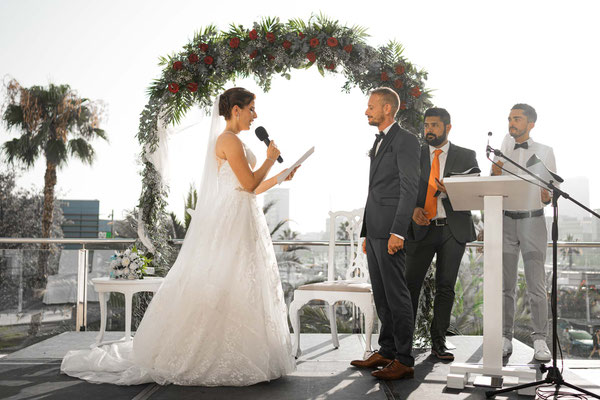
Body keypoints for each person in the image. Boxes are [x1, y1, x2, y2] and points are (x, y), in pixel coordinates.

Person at [61, 87, 298, 386]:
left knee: (239, 285)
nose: (256, 115)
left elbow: (251, 188)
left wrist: (278, 175)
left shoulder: (236, 141)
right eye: (252, 108)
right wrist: (269, 159)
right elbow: (250, 184)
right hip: (230, 226)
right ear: (236, 110)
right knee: (222, 282)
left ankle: (240, 350)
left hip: (243, 221)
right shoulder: (227, 140)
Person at [350, 87, 420, 380]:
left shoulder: (405, 140)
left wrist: (398, 233)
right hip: (376, 230)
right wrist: (367, 233)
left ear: (388, 109)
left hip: (392, 232)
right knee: (381, 295)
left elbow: (409, 188)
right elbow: (375, 191)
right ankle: (387, 351)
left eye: (371, 106)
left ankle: (404, 359)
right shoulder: (379, 141)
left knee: (397, 296)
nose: (367, 111)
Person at [405, 107, 479, 361]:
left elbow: (473, 193)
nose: (429, 130)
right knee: (409, 286)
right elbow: (405, 187)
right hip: (420, 227)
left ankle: (439, 342)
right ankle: (402, 343)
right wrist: (412, 209)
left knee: (446, 288)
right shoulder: (413, 154)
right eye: (426, 125)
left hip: (452, 228)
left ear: (448, 127)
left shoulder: (467, 156)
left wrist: (450, 191)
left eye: (434, 125)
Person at [491, 103, 556, 362]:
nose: (511, 123)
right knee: (505, 286)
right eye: (509, 118)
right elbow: (493, 186)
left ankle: (540, 340)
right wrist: (494, 172)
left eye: (517, 119)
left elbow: (550, 190)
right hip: (505, 221)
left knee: (536, 286)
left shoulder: (545, 152)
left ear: (531, 124)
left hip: (533, 222)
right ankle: (505, 337)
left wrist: (547, 195)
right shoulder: (501, 151)